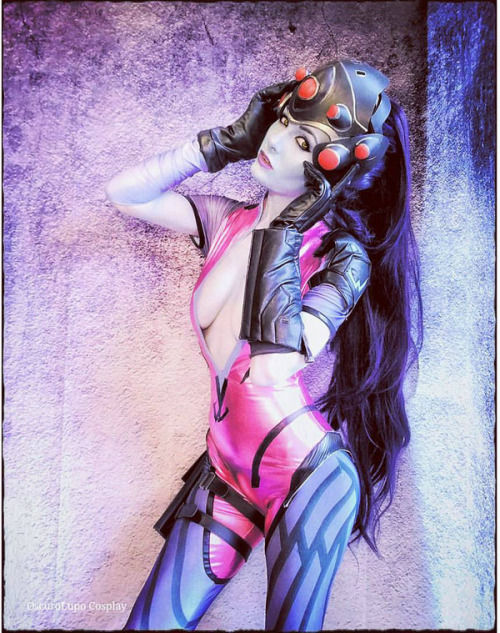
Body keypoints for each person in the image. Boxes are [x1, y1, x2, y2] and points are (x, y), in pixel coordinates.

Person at [105, 59, 423, 631]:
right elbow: (125, 194)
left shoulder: (342, 259)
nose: (275, 142)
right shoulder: (226, 222)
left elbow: (272, 367)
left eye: (303, 142)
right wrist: (223, 142)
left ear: (335, 174)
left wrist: (288, 230)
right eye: (281, 121)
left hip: (309, 477)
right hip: (225, 467)